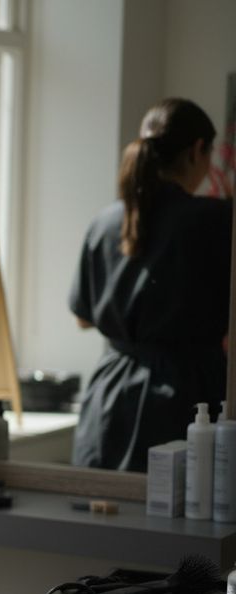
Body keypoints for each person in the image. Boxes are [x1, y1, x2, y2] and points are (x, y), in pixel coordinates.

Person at [71, 97, 233, 472]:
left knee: (101, 505)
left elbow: (83, 318)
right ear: (197, 150)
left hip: (108, 400)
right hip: (187, 398)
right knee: (180, 504)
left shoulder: (104, 222)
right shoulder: (218, 221)